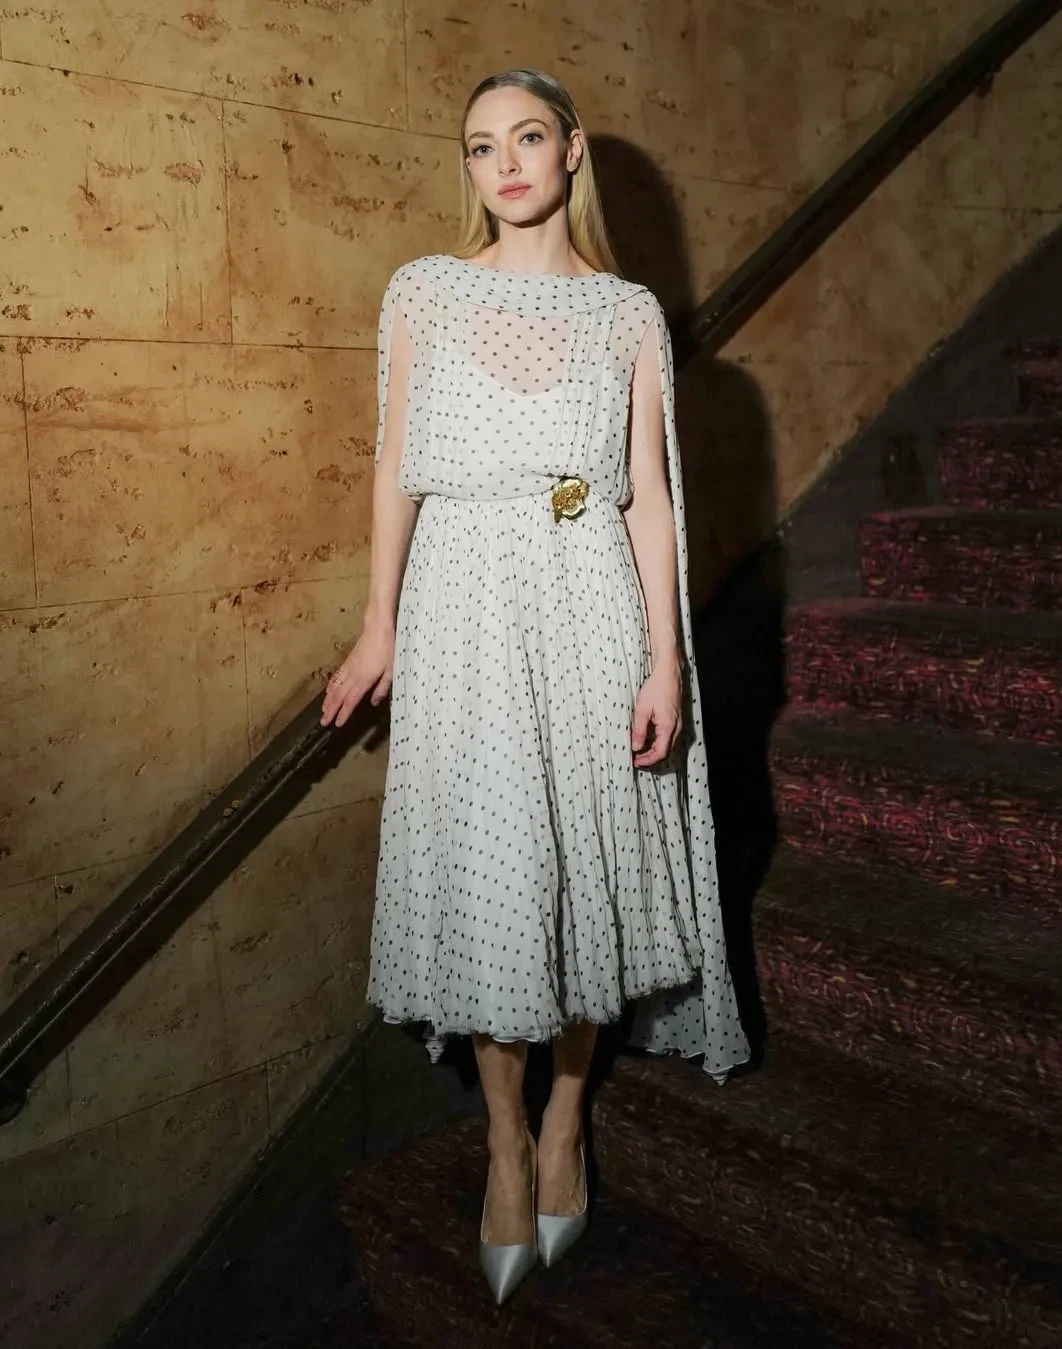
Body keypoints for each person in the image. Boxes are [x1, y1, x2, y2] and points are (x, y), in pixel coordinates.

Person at [321, 67, 750, 1304]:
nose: (503, 164)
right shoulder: (424, 290)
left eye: (525, 138)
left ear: (570, 154)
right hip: (462, 606)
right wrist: (376, 625)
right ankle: (505, 1141)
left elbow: (648, 495)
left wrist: (666, 656)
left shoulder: (625, 313)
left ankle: (566, 1117)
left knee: (585, 865)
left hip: (588, 598)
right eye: (479, 146)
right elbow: (396, 466)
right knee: (498, 868)